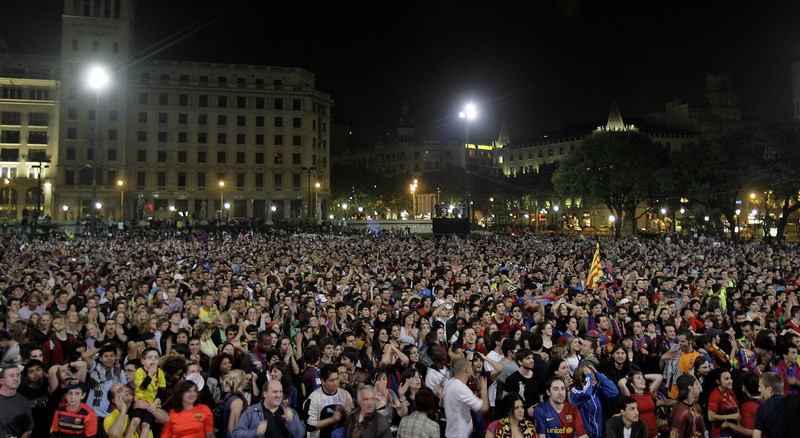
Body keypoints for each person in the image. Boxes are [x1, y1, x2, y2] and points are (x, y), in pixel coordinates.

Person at [231, 380, 304, 438]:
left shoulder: (289, 412)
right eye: (275, 392)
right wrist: (256, 432)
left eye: (280, 392)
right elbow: (236, 434)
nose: (279, 395)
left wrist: (291, 422)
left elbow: (300, 435)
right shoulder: (252, 412)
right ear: (265, 394)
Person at [442, 356, 489, 438]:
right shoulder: (461, 389)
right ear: (467, 370)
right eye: (470, 367)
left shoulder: (449, 383)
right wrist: (484, 389)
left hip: (452, 432)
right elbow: (484, 407)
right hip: (459, 435)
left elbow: (442, 404)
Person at [570, 363, 619, 438]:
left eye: (593, 375)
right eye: (591, 375)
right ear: (581, 378)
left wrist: (597, 373)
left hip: (598, 435)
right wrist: (589, 376)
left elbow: (614, 391)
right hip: (583, 435)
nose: (594, 377)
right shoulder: (575, 391)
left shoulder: (597, 390)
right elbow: (587, 393)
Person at [304, 364, 353, 438]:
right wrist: (332, 419)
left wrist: (347, 412)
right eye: (332, 380)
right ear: (323, 381)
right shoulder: (314, 398)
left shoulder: (345, 395)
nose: (336, 383)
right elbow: (310, 425)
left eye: (337, 379)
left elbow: (351, 423)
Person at [104, 382, 169, 438]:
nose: (126, 389)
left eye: (125, 386)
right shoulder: (110, 418)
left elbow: (166, 419)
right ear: (114, 400)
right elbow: (114, 434)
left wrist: (148, 406)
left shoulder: (140, 405)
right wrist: (123, 409)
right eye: (120, 390)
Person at [126, 348, 165, 438]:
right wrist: (150, 375)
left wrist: (154, 404)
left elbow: (162, 391)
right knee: (135, 420)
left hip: (152, 404)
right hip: (140, 401)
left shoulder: (160, 373)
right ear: (143, 361)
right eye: (150, 357)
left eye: (156, 357)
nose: (153, 360)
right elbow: (142, 387)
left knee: (146, 425)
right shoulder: (139, 371)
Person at [501, 349, 539, 417]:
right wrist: (526, 412)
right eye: (528, 358)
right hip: (517, 416)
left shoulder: (538, 376)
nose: (532, 360)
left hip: (536, 415)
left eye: (532, 358)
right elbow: (505, 402)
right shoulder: (511, 379)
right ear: (520, 362)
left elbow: (541, 398)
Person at [0, 365, 33, 438]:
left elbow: (28, 430)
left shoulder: (23, 401)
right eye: (11, 376)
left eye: (18, 375)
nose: (16, 378)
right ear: (2, 381)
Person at [706, 369, 739, 438]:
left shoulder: (731, 392)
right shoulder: (715, 396)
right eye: (726, 379)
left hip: (733, 431)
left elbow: (737, 410)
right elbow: (710, 417)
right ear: (718, 381)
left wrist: (738, 425)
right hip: (720, 434)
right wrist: (731, 416)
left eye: (730, 378)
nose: (731, 381)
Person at [753, 372, 786, 438]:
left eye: (760, 386)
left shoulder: (763, 407)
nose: (759, 390)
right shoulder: (794, 403)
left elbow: (756, 435)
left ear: (769, 389)